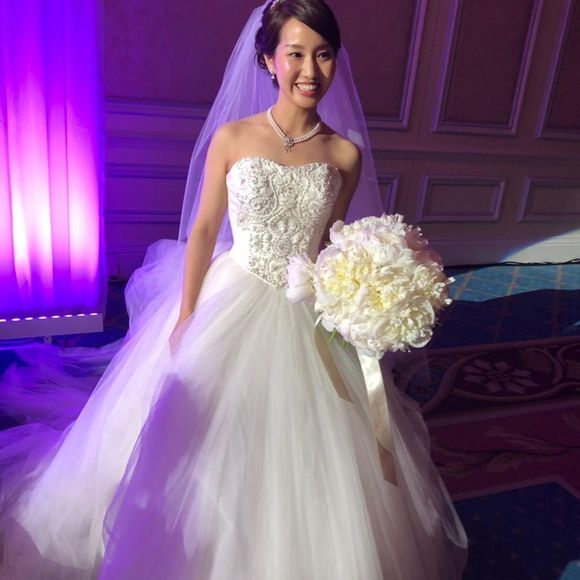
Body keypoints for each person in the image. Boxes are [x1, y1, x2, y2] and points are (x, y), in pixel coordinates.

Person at [0, 1, 468, 578]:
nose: (310, 70)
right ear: (268, 60)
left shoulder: (344, 153)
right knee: (192, 435)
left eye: (324, 55)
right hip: (232, 298)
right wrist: (186, 315)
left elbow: (331, 242)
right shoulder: (233, 137)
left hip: (303, 309)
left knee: (314, 443)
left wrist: (360, 288)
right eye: (295, 54)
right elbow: (202, 231)